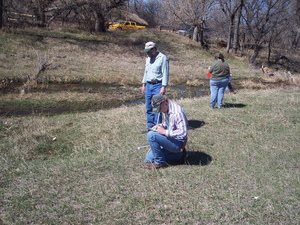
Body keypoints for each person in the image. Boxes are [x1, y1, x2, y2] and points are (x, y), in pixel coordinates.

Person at [144, 94, 188, 169]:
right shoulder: (166, 109)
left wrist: (164, 132)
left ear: (164, 102)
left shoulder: (177, 113)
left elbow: (183, 132)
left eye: (159, 109)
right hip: (171, 139)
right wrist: (160, 126)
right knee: (149, 159)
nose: (159, 111)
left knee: (151, 135)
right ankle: (178, 155)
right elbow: (169, 124)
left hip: (178, 142)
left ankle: (159, 162)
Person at [141, 41, 169, 129]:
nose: (148, 53)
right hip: (148, 85)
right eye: (147, 51)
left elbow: (165, 73)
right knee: (148, 107)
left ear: (154, 49)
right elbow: (146, 72)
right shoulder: (148, 59)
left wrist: (163, 87)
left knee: (156, 108)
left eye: (149, 51)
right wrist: (143, 84)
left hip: (158, 85)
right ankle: (150, 127)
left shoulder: (163, 58)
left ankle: (158, 127)